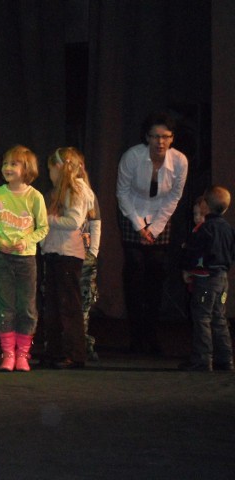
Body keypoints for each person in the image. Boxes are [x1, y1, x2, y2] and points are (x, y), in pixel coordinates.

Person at [116, 111, 188, 354]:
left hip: (160, 217)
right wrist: (139, 226)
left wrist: (154, 229)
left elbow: (174, 196)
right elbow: (122, 193)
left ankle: (152, 334)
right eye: (155, 136)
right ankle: (135, 337)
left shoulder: (180, 161)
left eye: (165, 136)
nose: (160, 142)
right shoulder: (132, 157)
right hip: (132, 213)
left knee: (156, 273)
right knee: (135, 271)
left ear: (172, 138)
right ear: (146, 137)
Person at [0, 145, 48, 372]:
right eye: (5, 163)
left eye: (14, 164)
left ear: (26, 168)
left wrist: (27, 241)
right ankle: (8, 354)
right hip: (2, 258)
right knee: (5, 307)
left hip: (26, 260)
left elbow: (43, 228)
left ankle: (23, 355)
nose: (7, 168)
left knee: (27, 308)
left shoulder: (35, 197)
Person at [41, 147, 95, 369]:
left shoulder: (77, 189)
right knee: (52, 304)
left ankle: (75, 354)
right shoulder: (60, 191)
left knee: (68, 305)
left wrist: (46, 220)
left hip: (68, 255)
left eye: (51, 169)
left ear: (59, 168)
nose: (50, 174)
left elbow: (73, 222)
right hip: (55, 252)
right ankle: (54, 351)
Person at [179, 185, 235, 372]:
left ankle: (202, 359)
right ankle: (225, 359)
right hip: (222, 281)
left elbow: (194, 253)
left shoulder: (204, 229)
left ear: (205, 206)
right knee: (219, 317)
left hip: (205, 281)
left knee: (202, 317)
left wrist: (187, 268)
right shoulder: (227, 229)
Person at [78, 160, 102, 361]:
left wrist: (93, 252)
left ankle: (83, 343)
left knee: (84, 303)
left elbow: (96, 224)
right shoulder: (56, 195)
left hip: (85, 259)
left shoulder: (89, 196)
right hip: (63, 257)